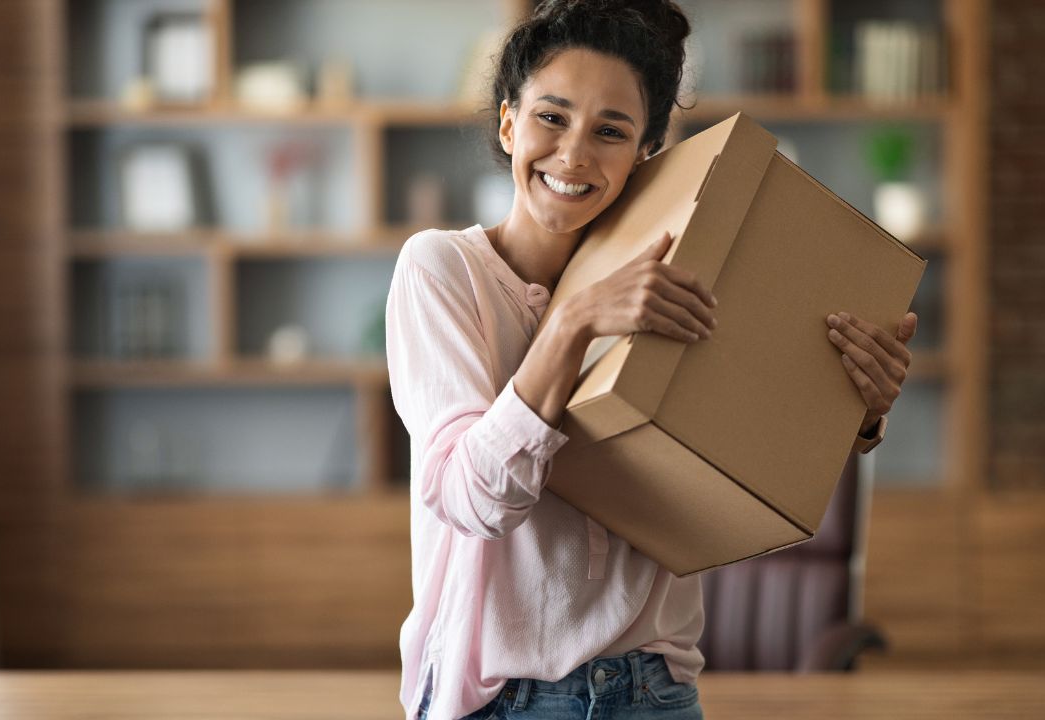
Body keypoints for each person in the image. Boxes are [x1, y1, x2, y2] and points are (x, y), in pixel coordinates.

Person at [385, 1, 918, 718]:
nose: (574, 153)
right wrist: (571, 323)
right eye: (552, 116)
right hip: (506, 698)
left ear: (644, 155)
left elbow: (740, 460)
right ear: (508, 122)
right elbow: (471, 499)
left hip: (653, 689)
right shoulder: (442, 270)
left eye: (611, 131)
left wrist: (855, 412)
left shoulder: (672, 271)